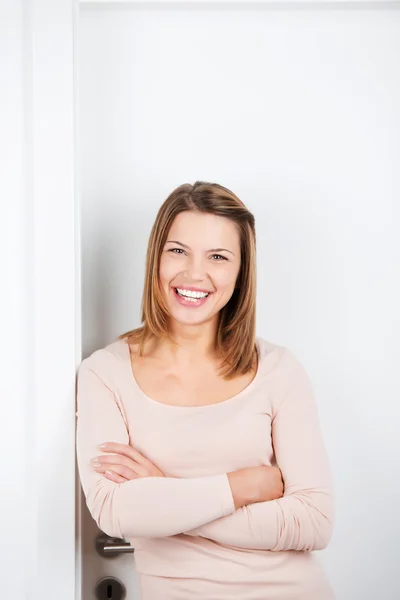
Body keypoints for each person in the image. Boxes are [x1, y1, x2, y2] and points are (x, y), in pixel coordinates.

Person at [76, 181, 336, 600]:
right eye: (178, 250)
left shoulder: (278, 369)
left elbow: (314, 522)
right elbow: (114, 510)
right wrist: (239, 487)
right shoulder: (104, 373)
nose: (194, 274)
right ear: (156, 257)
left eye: (217, 257)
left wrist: (163, 492)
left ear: (239, 272)